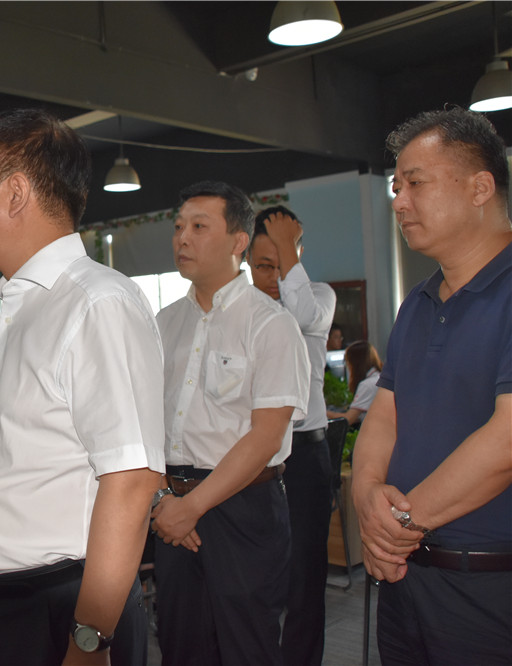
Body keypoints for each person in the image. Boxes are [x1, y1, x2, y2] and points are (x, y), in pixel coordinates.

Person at [0, 108, 165, 666]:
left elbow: (132, 481)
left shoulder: (95, 302)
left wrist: (90, 639)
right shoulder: (22, 306)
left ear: (16, 193)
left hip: (57, 610)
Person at [352, 107, 511, 665]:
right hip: (407, 577)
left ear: (480, 188)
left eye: (415, 183)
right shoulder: (417, 304)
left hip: (490, 584)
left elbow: (507, 440)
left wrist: (396, 524)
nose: (399, 202)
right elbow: (384, 416)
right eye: (396, 188)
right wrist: (367, 496)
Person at [151, 181, 309, 666]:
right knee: (181, 646)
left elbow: (266, 436)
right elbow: (144, 422)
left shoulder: (270, 323)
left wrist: (193, 507)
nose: (183, 238)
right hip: (172, 505)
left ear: (239, 241)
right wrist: (165, 500)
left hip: (243, 507)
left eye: (199, 227)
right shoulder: (163, 323)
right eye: (179, 227)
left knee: (247, 647)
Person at [248, 205, 337, 666]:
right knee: (255, 579)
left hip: (304, 458)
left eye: (282, 264)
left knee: (304, 582)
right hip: (252, 458)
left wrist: (286, 248)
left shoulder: (318, 296)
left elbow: (300, 315)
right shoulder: (239, 311)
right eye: (264, 266)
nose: (273, 277)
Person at [326, 340, 382, 426]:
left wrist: (323, 412)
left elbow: (348, 419)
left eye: (347, 362)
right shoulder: (378, 378)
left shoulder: (367, 385)